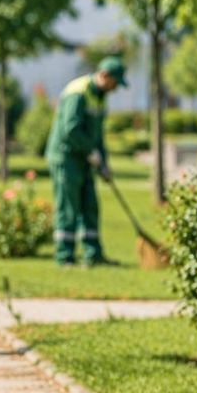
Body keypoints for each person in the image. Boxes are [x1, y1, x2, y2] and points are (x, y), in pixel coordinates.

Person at [45, 56, 127, 267]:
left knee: (89, 204)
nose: (115, 88)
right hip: (65, 156)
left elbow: (97, 135)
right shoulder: (78, 91)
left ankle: (93, 254)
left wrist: (104, 164)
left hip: (84, 158)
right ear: (104, 75)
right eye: (115, 82)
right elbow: (70, 129)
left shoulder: (99, 96)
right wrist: (91, 152)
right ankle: (64, 257)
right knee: (68, 206)